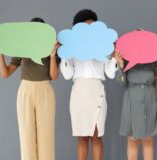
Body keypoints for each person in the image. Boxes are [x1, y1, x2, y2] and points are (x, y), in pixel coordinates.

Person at [0, 17, 60, 160]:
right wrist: (0, 54)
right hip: (25, 91)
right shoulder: (22, 49)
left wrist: (52, 56)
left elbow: (54, 76)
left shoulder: (50, 49)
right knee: (26, 134)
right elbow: (5, 73)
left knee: (46, 135)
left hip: (45, 89)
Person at [60, 9, 118, 160]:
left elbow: (111, 74)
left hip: (97, 90)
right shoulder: (71, 48)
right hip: (79, 92)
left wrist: (114, 58)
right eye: (85, 27)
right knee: (81, 137)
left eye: (92, 27)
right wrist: (64, 54)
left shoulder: (103, 47)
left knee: (97, 136)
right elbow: (67, 75)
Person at [114, 46, 157, 160]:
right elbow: (121, 83)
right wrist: (121, 67)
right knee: (132, 138)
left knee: (148, 138)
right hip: (131, 100)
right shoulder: (126, 59)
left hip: (149, 99)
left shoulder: (153, 60)